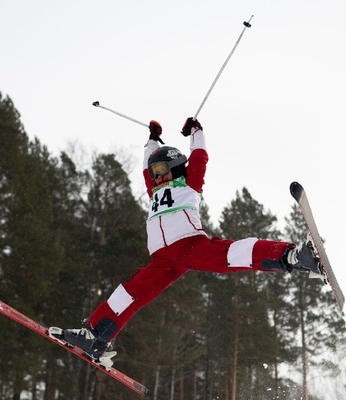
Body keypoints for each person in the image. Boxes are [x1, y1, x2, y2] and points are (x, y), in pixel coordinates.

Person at [49, 117, 323, 367]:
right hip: (161, 259)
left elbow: (200, 157)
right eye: (154, 172)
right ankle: (96, 337)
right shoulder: (154, 189)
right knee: (130, 292)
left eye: (162, 169)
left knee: (231, 254)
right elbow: (146, 165)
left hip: (189, 245)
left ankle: (294, 257)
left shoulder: (189, 183)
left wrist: (196, 132)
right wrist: (153, 139)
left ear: (176, 167)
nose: (157, 176)